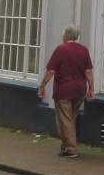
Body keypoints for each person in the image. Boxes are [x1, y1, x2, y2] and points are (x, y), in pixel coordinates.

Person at [38, 24, 94, 158]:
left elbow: (51, 71)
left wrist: (42, 86)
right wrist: (91, 89)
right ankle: (65, 146)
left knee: (64, 120)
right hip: (80, 90)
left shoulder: (60, 50)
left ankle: (71, 149)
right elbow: (88, 71)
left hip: (64, 90)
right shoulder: (84, 50)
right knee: (70, 119)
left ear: (65, 36)